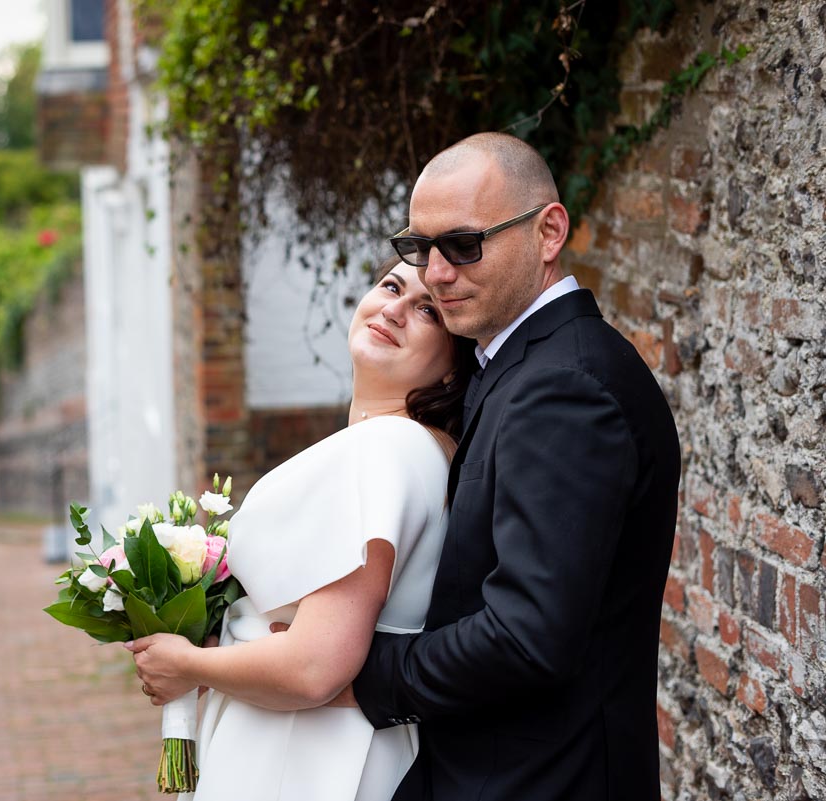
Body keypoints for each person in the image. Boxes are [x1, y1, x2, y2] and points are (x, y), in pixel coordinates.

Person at [351, 132, 681, 801]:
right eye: (419, 247)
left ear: (549, 231)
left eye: (463, 245)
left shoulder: (566, 385)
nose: (436, 271)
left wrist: (364, 669)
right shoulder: (520, 366)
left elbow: (526, 635)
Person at [126, 256, 477, 801]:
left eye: (427, 309)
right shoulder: (420, 448)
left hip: (306, 757)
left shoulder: (382, 449)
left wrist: (187, 663)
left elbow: (316, 666)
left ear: (454, 363)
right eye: (390, 286)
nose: (396, 309)